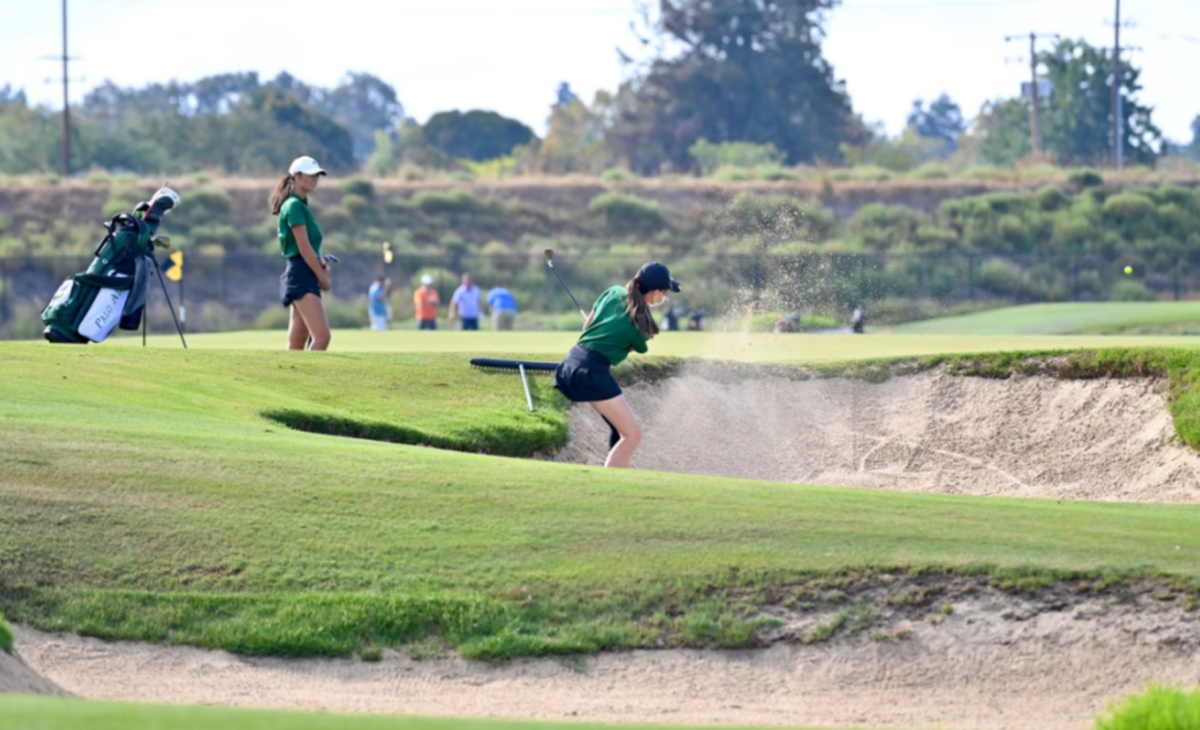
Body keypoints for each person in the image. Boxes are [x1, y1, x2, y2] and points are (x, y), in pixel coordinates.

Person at [553, 261, 680, 469]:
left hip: (569, 363)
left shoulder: (613, 292)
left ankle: (620, 468)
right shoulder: (641, 323)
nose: (664, 298)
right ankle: (612, 484)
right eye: (664, 292)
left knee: (619, 428)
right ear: (656, 292)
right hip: (592, 373)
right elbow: (630, 348)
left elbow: (587, 328)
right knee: (632, 435)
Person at [272, 155, 331, 351]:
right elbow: (304, 249)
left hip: (302, 272)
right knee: (322, 337)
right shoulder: (294, 205)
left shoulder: (300, 204)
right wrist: (322, 278)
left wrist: (320, 260)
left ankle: (287, 380)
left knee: (297, 342)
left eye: (318, 175)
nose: (315, 179)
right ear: (296, 176)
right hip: (301, 273)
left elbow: (311, 247)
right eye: (311, 175)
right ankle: (310, 381)